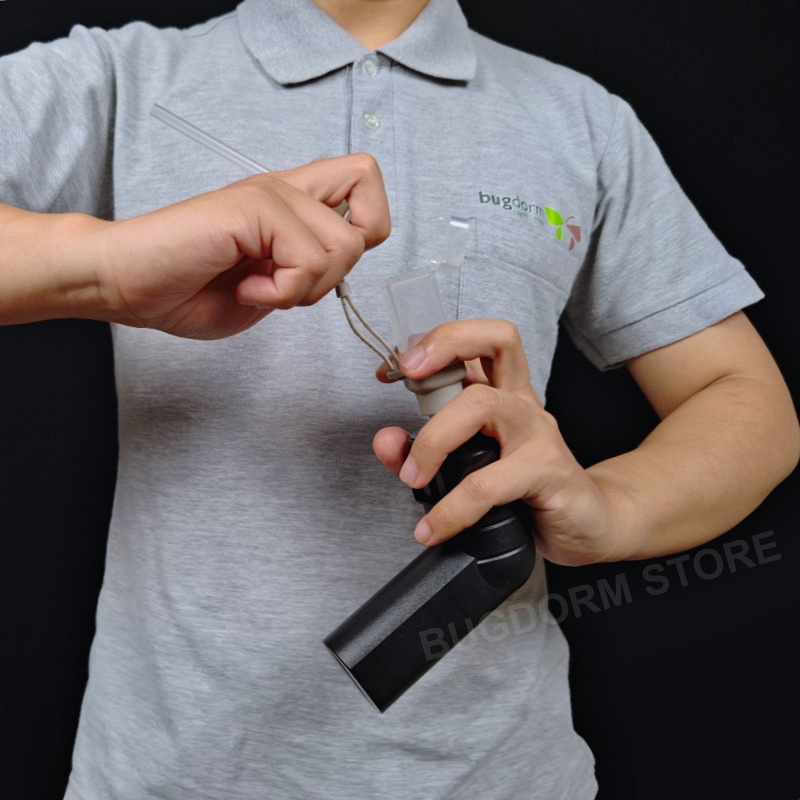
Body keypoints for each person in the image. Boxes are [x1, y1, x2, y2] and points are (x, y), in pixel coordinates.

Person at [1, 0, 797, 797]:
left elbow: (744, 398)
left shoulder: (580, 120)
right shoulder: (124, 81)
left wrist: (613, 507)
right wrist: (104, 264)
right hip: (170, 778)